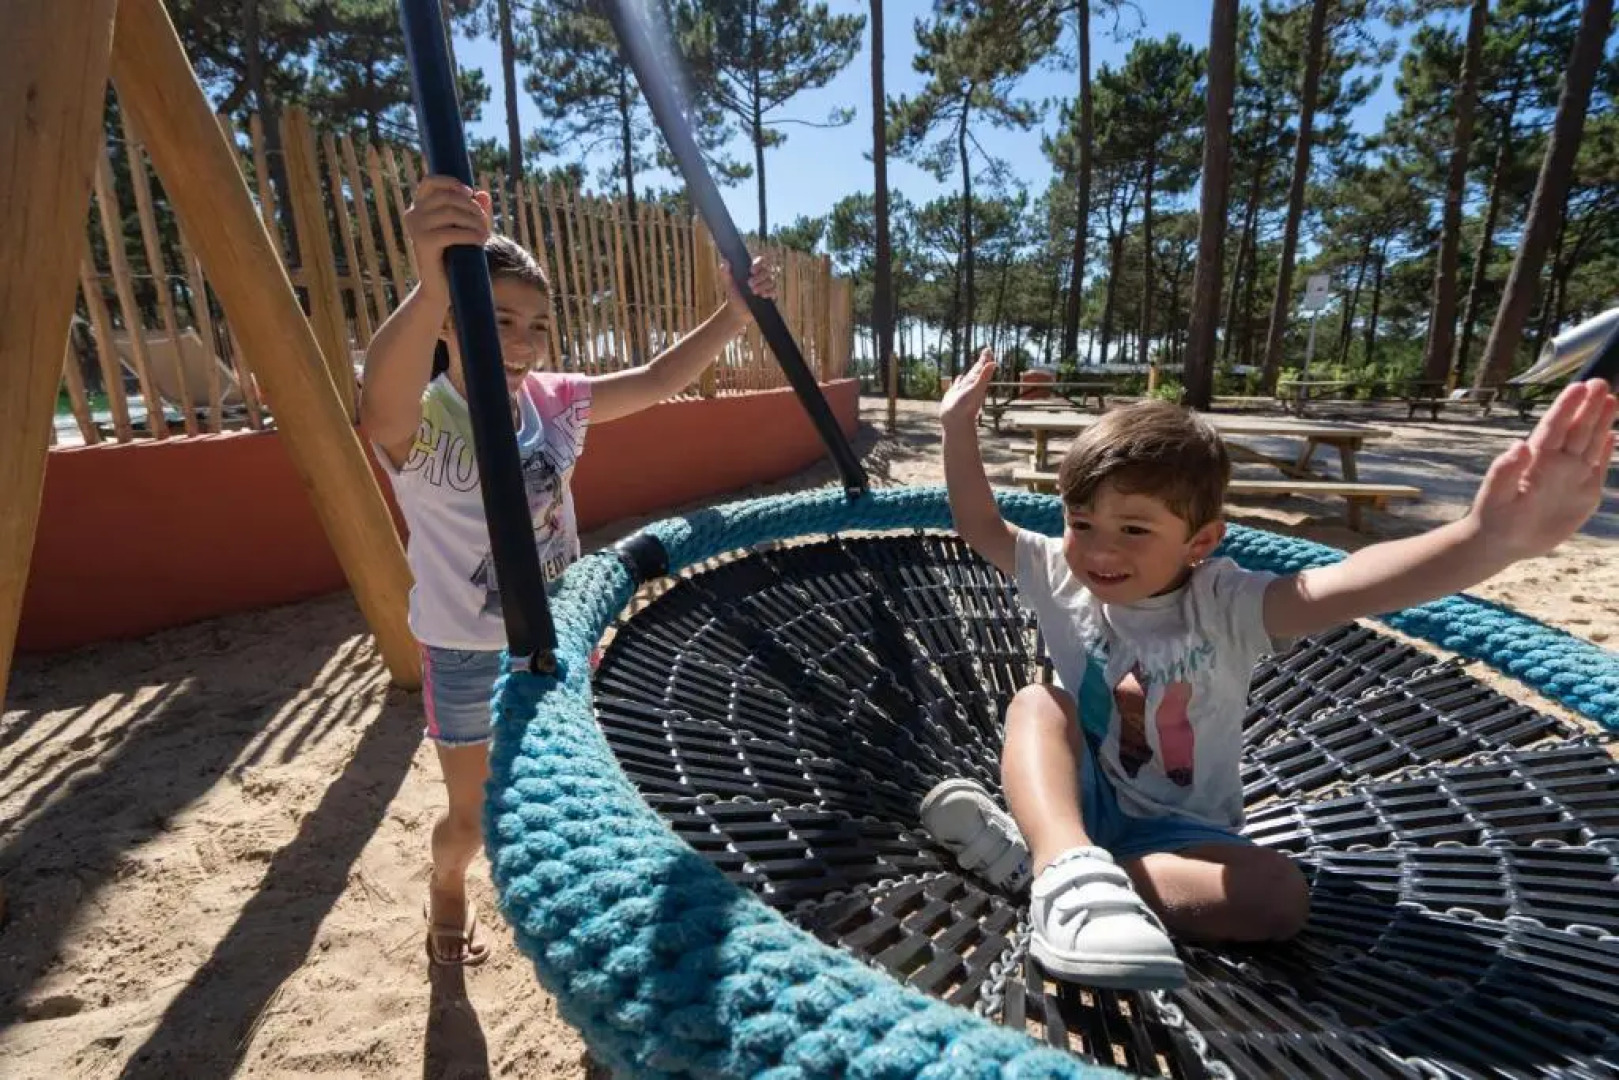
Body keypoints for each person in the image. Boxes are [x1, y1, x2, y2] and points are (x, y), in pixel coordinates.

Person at [923, 347, 1614, 990]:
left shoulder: (1222, 603)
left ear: (1200, 541)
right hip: (1082, 799)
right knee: (1038, 702)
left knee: (1279, 901)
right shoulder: (1058, 574)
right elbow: (979, 522)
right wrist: (957, 426)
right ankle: (1062, 863)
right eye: (1081, 522)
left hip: (1183, 837)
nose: (1099, 549)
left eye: (1133, 529)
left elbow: (1348, 583)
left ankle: (1034, 869)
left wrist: (1484, 539)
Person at [360, 175, 775, 966]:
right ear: (452, 322)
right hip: (463, 647)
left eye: (538, 324)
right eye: (499, 318)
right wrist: (426, 284)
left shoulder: (553, 403)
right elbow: (374, 406)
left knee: (581, 784)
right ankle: (447, 882)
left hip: (558, 635)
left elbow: (655, 381)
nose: (520, 340)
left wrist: (733, 315)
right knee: (475, 818)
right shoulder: (424, 414)